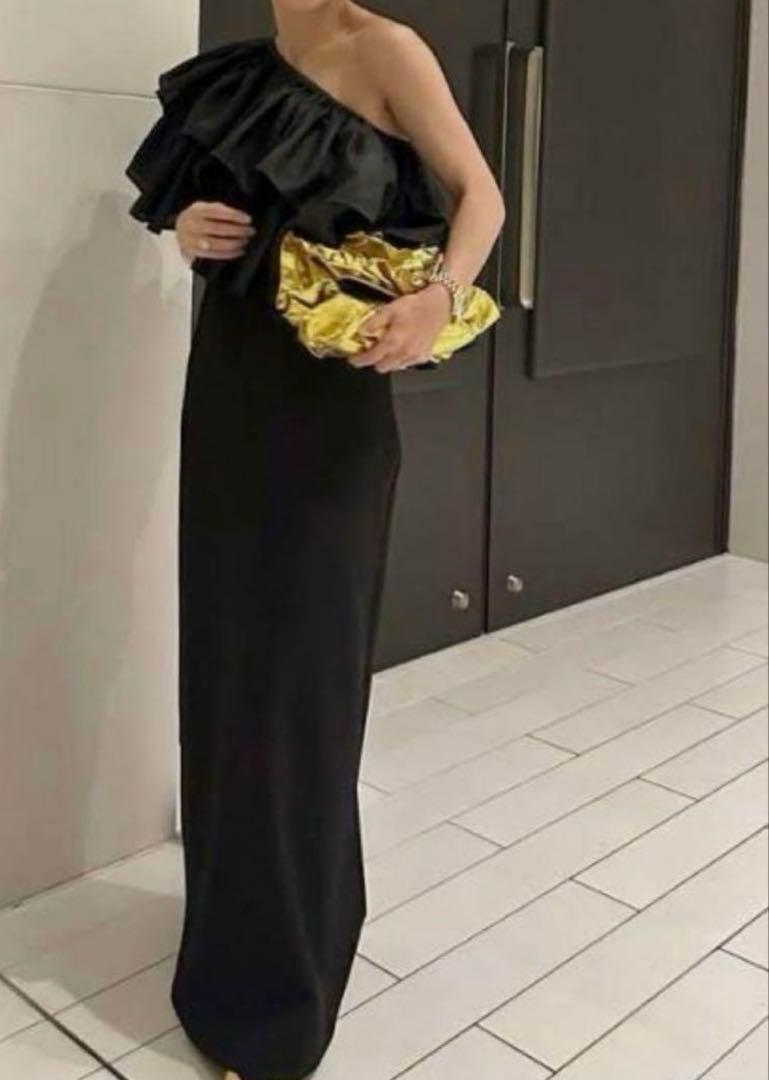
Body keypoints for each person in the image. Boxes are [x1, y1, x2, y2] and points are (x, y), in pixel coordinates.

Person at [125, 3, 505, 1077]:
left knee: (300, 685)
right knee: (228, 671)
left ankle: (280, 999)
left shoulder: (385, 49)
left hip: (329, 415)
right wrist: (188, 229)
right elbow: (196, 215)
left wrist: (438, 297)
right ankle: (228, 946)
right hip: (228, 393)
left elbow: (480, 195)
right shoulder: (237, 71)